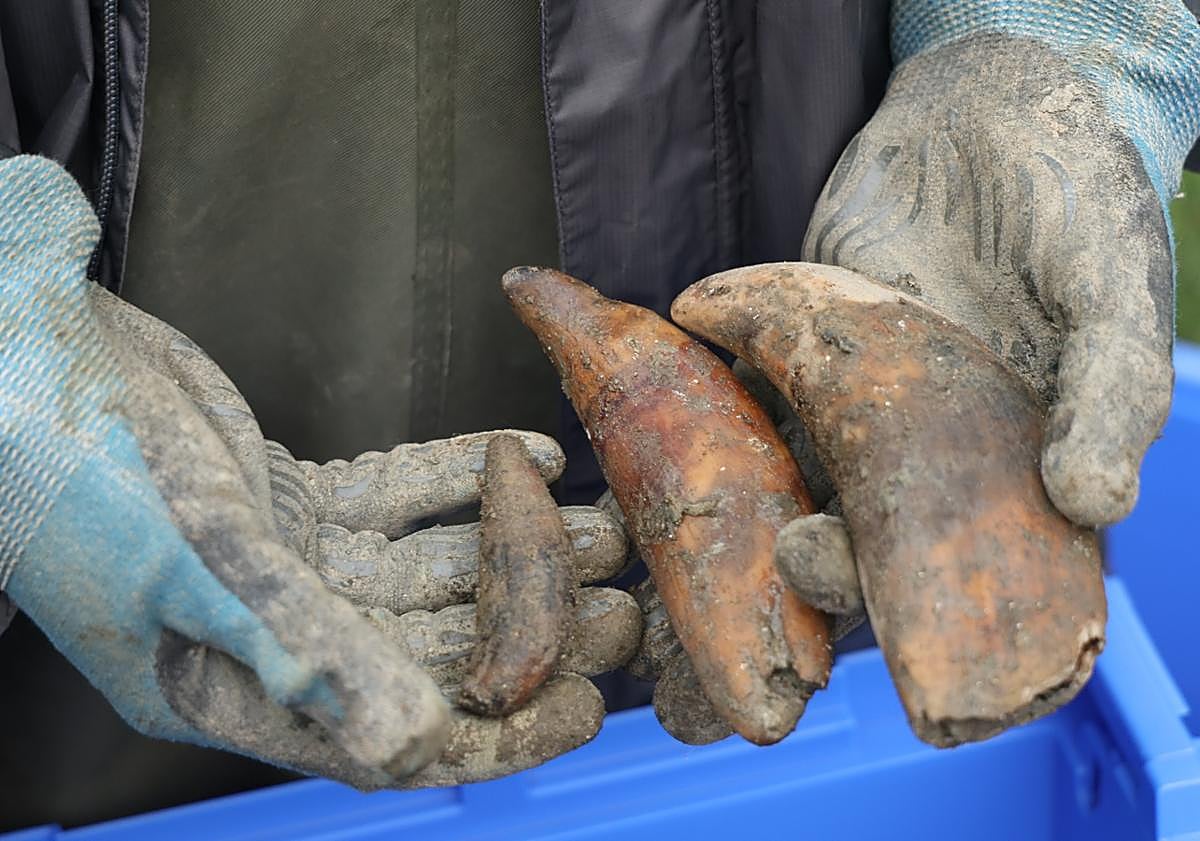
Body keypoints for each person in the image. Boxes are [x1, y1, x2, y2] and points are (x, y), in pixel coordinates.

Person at [1, 0, 1197, 827]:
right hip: (158, 340)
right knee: (234, 661)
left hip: (851, 230)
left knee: (841, 671)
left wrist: (1053, 21)